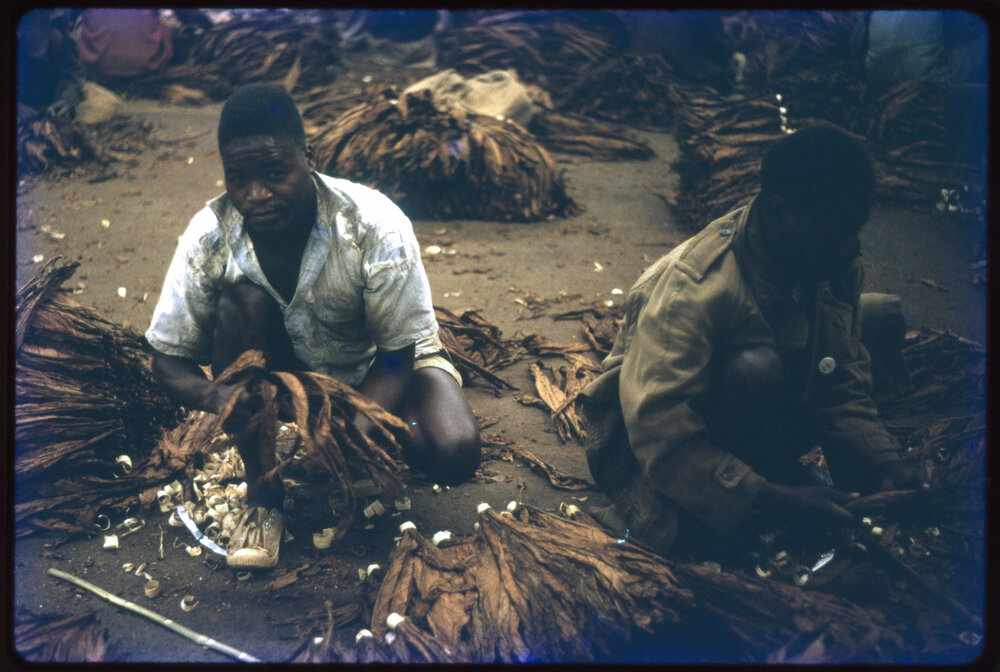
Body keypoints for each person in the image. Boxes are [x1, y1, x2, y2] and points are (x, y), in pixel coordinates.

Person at [146, 84, 481, 568]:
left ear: (309, 157)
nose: (255, 194)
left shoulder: (374, 225)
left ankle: (370, 431)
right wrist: (216, 399)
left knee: (453, 453)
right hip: (286, 373)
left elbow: (396, 353)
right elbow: (166, 360)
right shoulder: (211, 235)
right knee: (242, 301)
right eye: (238, 178)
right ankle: (264, 494)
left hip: (383, 361)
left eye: (274, 173)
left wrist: (354, 429)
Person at [581, 124, 925, 559]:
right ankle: (742, 494)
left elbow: (839, 383)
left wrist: (884, 464)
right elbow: (660, 432)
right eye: (837, 231)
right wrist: (774, 500)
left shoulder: (828, 261)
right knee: (755, 368)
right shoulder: (693, 286)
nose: (851, 248)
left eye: (856, 229)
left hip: (746, 423)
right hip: (644, 450)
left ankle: (774, 477)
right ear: (780, 213)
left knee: (879, 315)